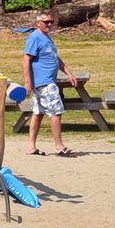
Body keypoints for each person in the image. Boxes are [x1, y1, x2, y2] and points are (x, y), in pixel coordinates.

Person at [23, 11, 76, 156]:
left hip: (48, 81)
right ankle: (59, 146)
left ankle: (31, 147)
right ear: (38, 23)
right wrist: (28, 82)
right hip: (44, 83)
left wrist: (69, 74)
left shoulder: (47, 38)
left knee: (38, 113)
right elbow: (26, 60)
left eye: (51, 22)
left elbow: (55, 58)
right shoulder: (34, 37)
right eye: (47, 22)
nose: (50, 25)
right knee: (56, 112)